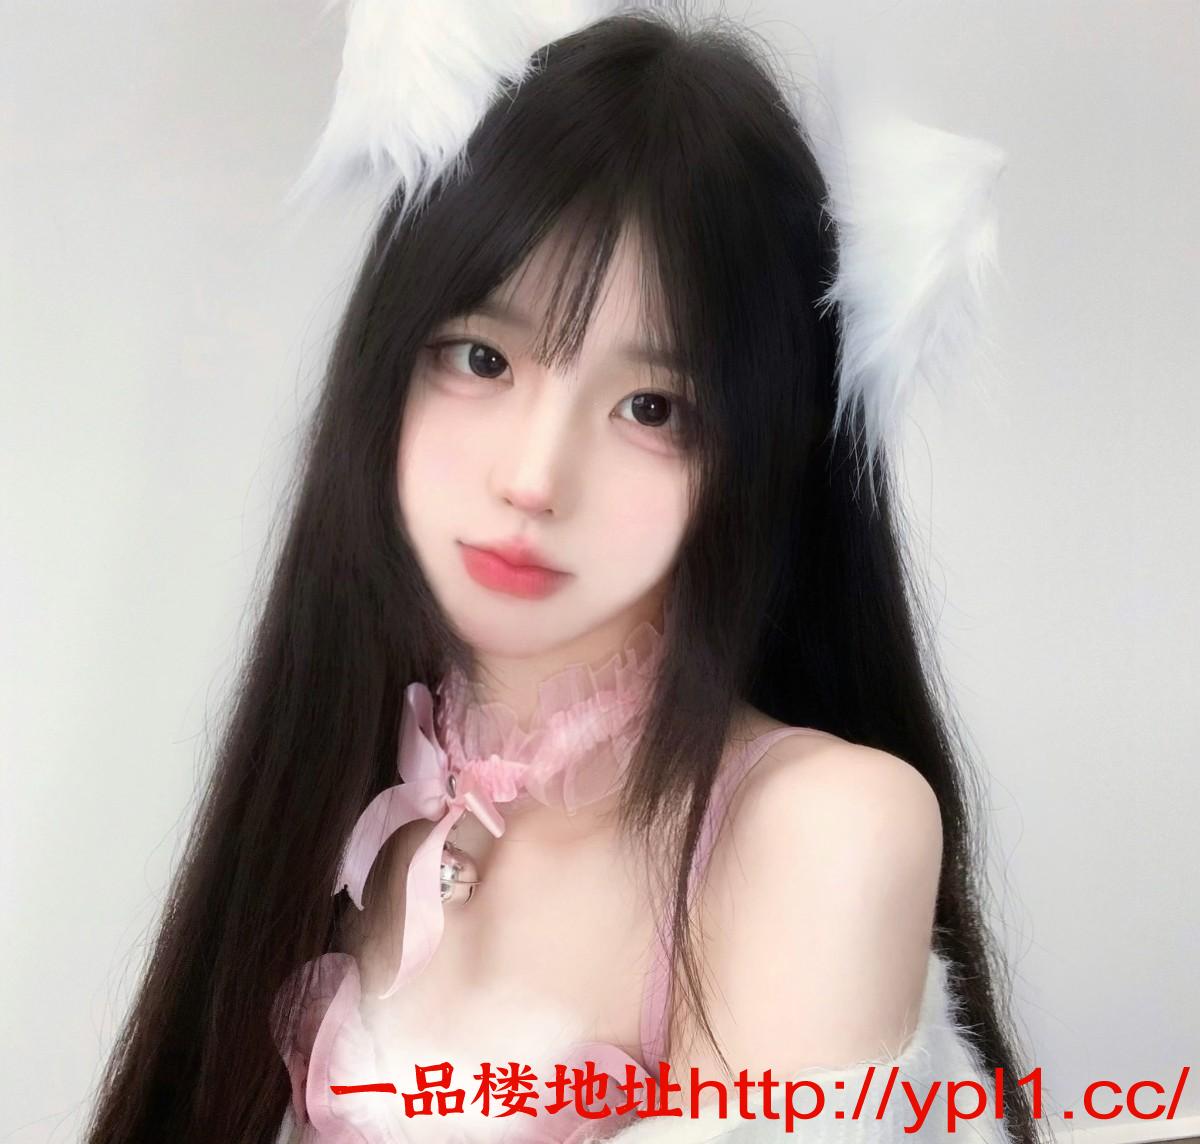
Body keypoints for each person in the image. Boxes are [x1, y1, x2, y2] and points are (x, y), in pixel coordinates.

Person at [85, 7, 1036, 1143]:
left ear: (761, 459)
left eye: (653, 408)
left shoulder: (818, 831)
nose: (534, 478)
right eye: (482, 357)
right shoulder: (346, 796)